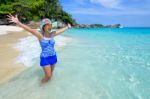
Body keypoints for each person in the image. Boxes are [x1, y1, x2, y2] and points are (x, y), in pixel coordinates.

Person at [7, 14, 71, 84]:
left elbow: (61, 31)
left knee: (51, 75)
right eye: (47, 25)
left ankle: (47, 89)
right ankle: (41, 85)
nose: (50, 27)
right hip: (45, 58)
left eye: (50, 25)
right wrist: (18, 23)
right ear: (43, 27)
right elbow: (29, 29)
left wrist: (67, 27)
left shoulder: (52, 34)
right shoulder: (40, 35)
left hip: (53, 56)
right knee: (48, 76)